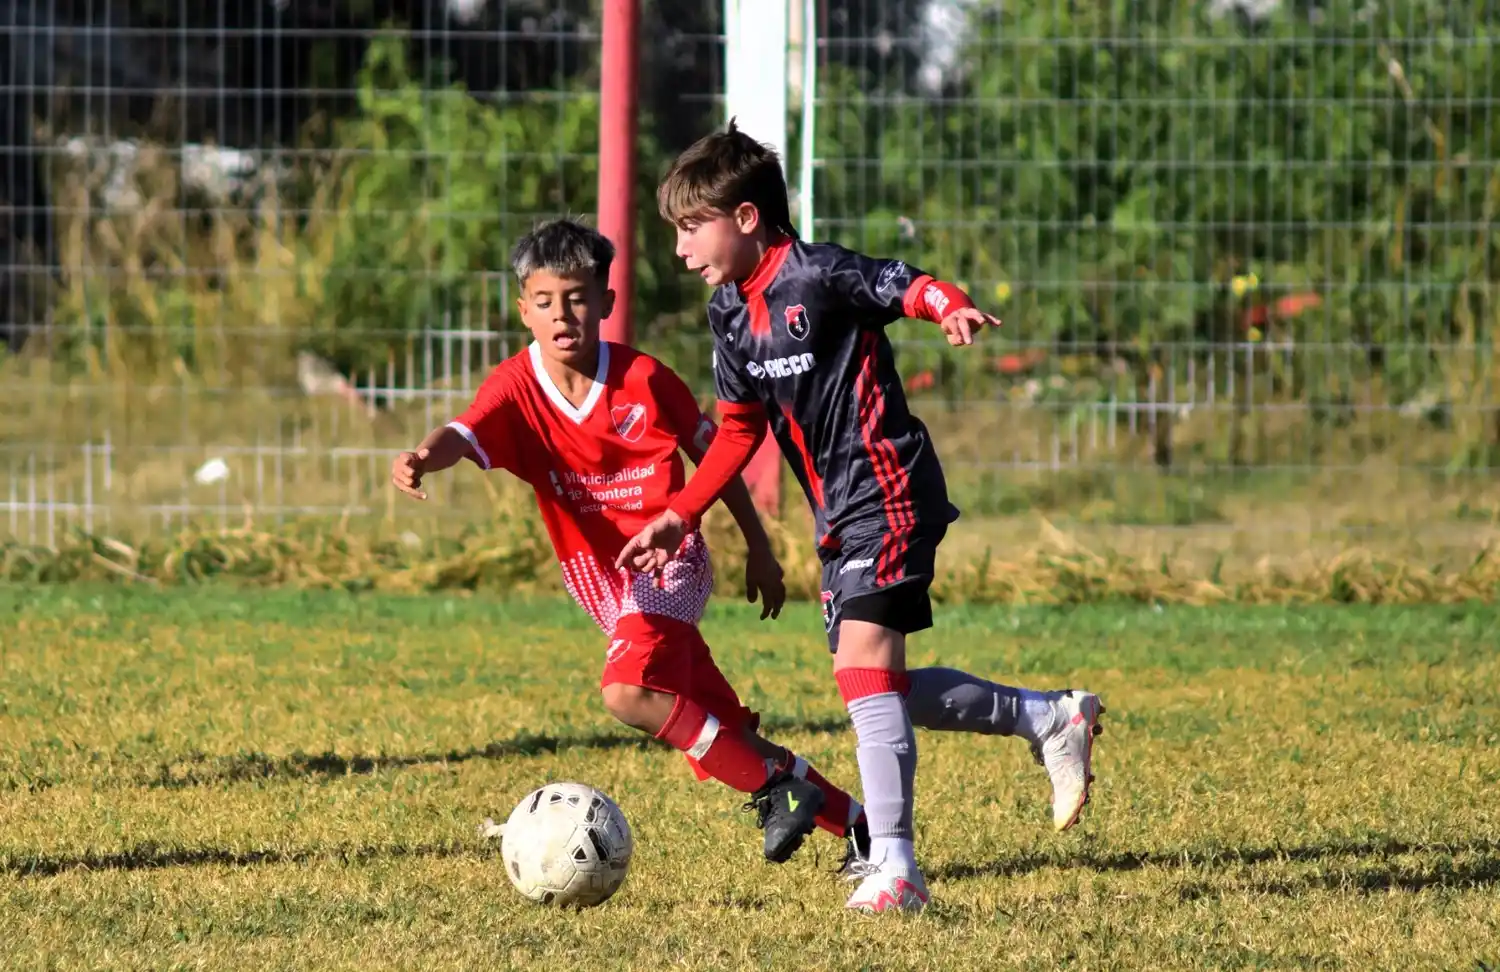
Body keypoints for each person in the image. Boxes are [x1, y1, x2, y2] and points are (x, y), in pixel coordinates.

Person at [617, 121, 1106, 913]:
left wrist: (949, 306)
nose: (678, 249)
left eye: (688, 227)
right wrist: (682, 513)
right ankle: (1047, 717)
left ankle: (898, 871)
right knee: (884, 686)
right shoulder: (729, 317)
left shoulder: (817, 273)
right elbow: (740, 429)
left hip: (891, 491)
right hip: (838, 516)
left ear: (745, 218)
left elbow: (902, 283)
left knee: (861, 675)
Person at [392, 218, 868, 866]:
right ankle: (863, 830)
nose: (563, 315)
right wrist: (423, 453)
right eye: (545, 301)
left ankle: (775, 789)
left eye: (579, 297)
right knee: (717, 727)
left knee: (625, 692)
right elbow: (464, 431)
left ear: (607, 302)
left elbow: (718, 458)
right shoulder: (514, 387)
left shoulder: (645, 380)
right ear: (523, 309)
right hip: (600, 583)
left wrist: (758, 547)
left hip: (671, 563)